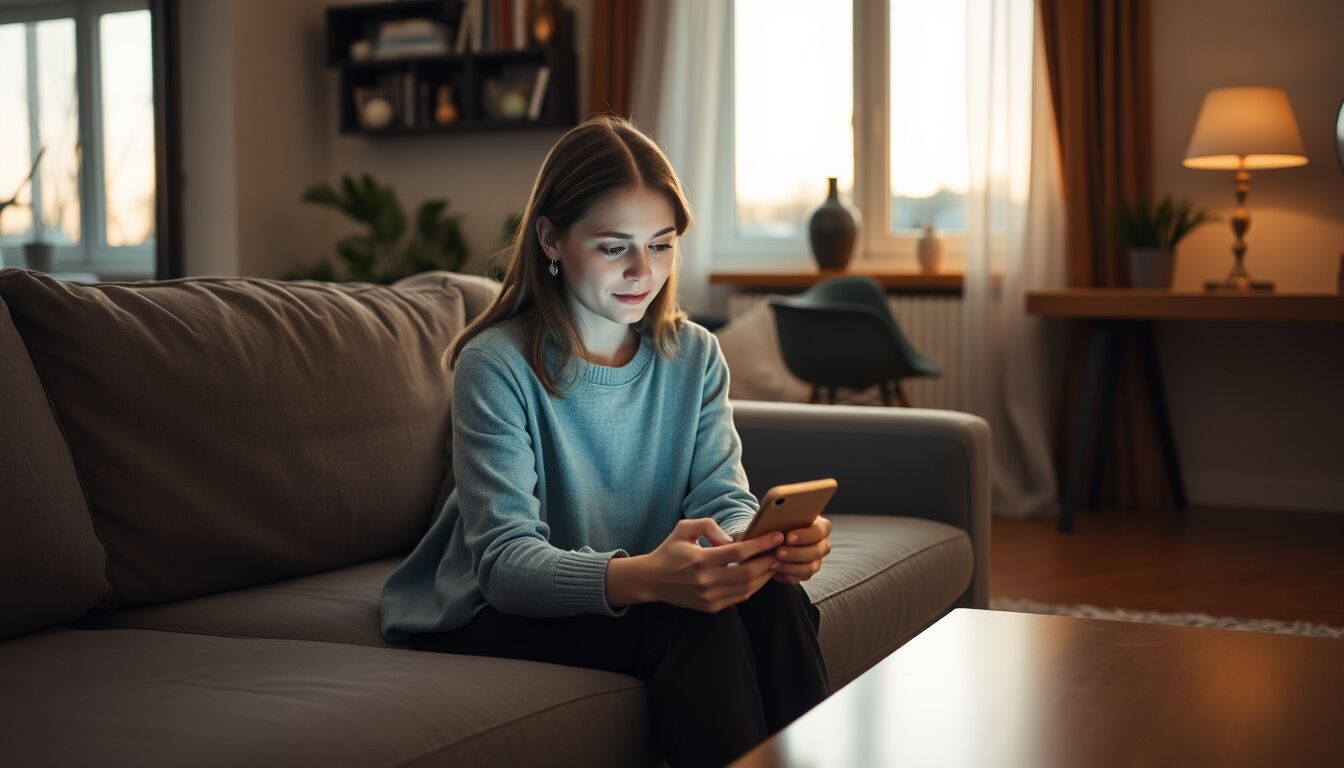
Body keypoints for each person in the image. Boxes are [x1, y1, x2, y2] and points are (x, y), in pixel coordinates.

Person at [379, 114, 833, 768]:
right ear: (551, 240)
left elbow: (723, 497)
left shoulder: (694, 356)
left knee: (776, 599)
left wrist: (753, 546)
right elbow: (505, 565)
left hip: (634, 581)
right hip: (491, 609)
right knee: (690, 620)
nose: (643, 271)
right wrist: (645, 576)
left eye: (661, 244)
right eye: (615, 247)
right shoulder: (496, 364)